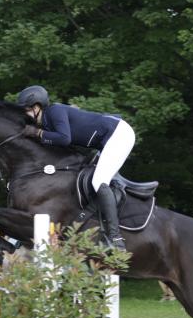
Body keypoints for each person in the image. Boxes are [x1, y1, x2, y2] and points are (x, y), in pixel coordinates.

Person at [16, 85, 135, 250]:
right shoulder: (46, 123)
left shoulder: (55, 111)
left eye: (27, 110)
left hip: (119, 135)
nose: (25, 115)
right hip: (105, 140)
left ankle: (116, 238)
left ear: (37, 107)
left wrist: (37, 133)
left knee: (98, 181)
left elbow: (64, 138)